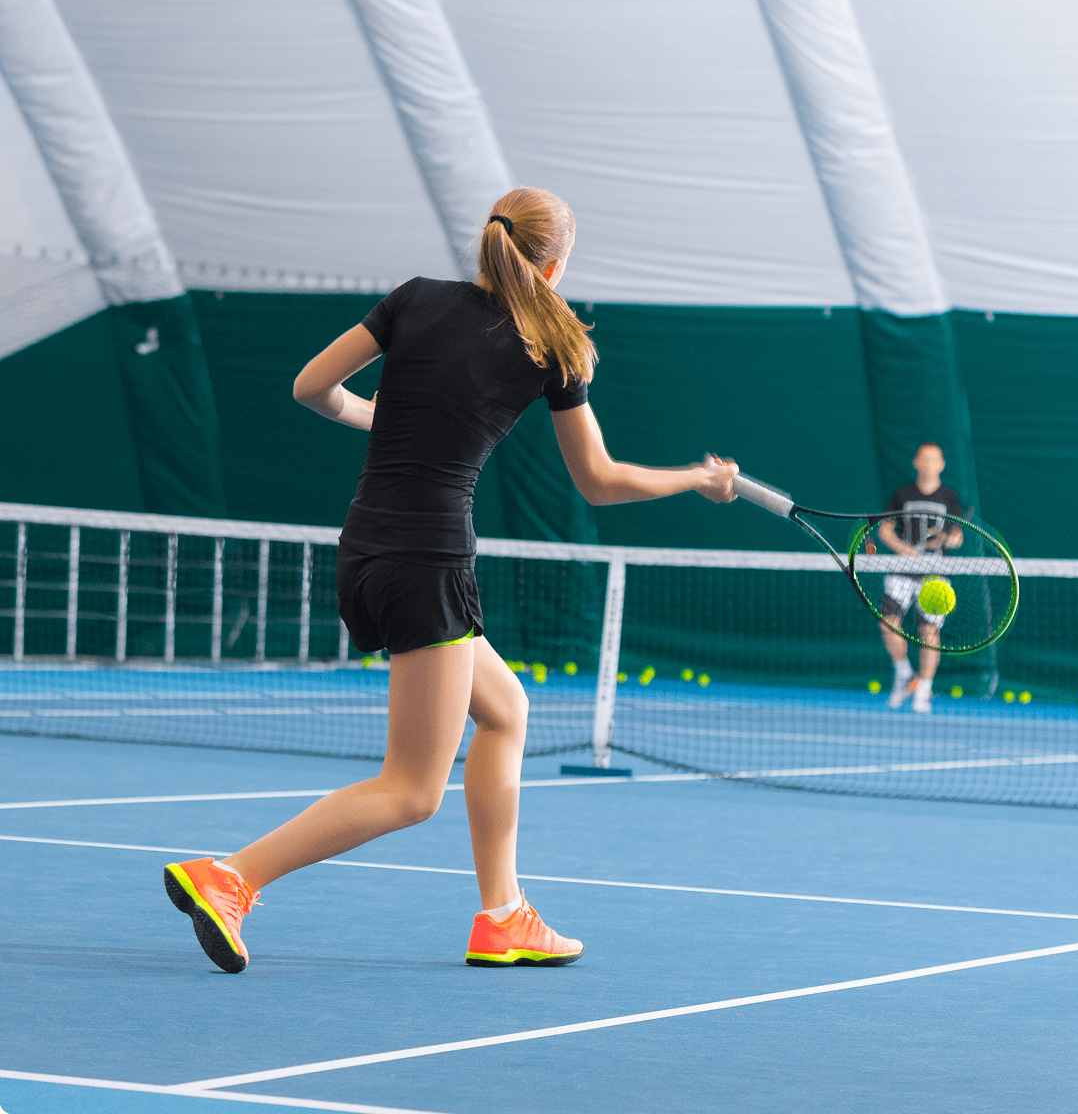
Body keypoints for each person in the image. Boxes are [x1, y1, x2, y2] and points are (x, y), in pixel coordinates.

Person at [163, 187, 738, 973]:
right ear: (557, 262)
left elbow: (310, 388)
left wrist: (384, 418)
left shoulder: (414, 300)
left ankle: (504, 916)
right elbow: (599, 481)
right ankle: (230, 877)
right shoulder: (556, 344)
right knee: (411, 791)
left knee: (505, 710)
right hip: (426, 563)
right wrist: (696, 480)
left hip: (365, 548)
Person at [876, 442, 963, 714]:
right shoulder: (902, 494)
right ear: (916, 462)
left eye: (934, 460)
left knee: (929, 632)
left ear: (941, 465)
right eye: (924, 459)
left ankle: (924, 687)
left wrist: (949, 538)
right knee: (888, 623)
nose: (928, 464)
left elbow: (958, 537)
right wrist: (904, 550)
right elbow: (885, 530)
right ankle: (903, 673)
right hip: (902, 570)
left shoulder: (950, 498)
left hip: (935, 576)